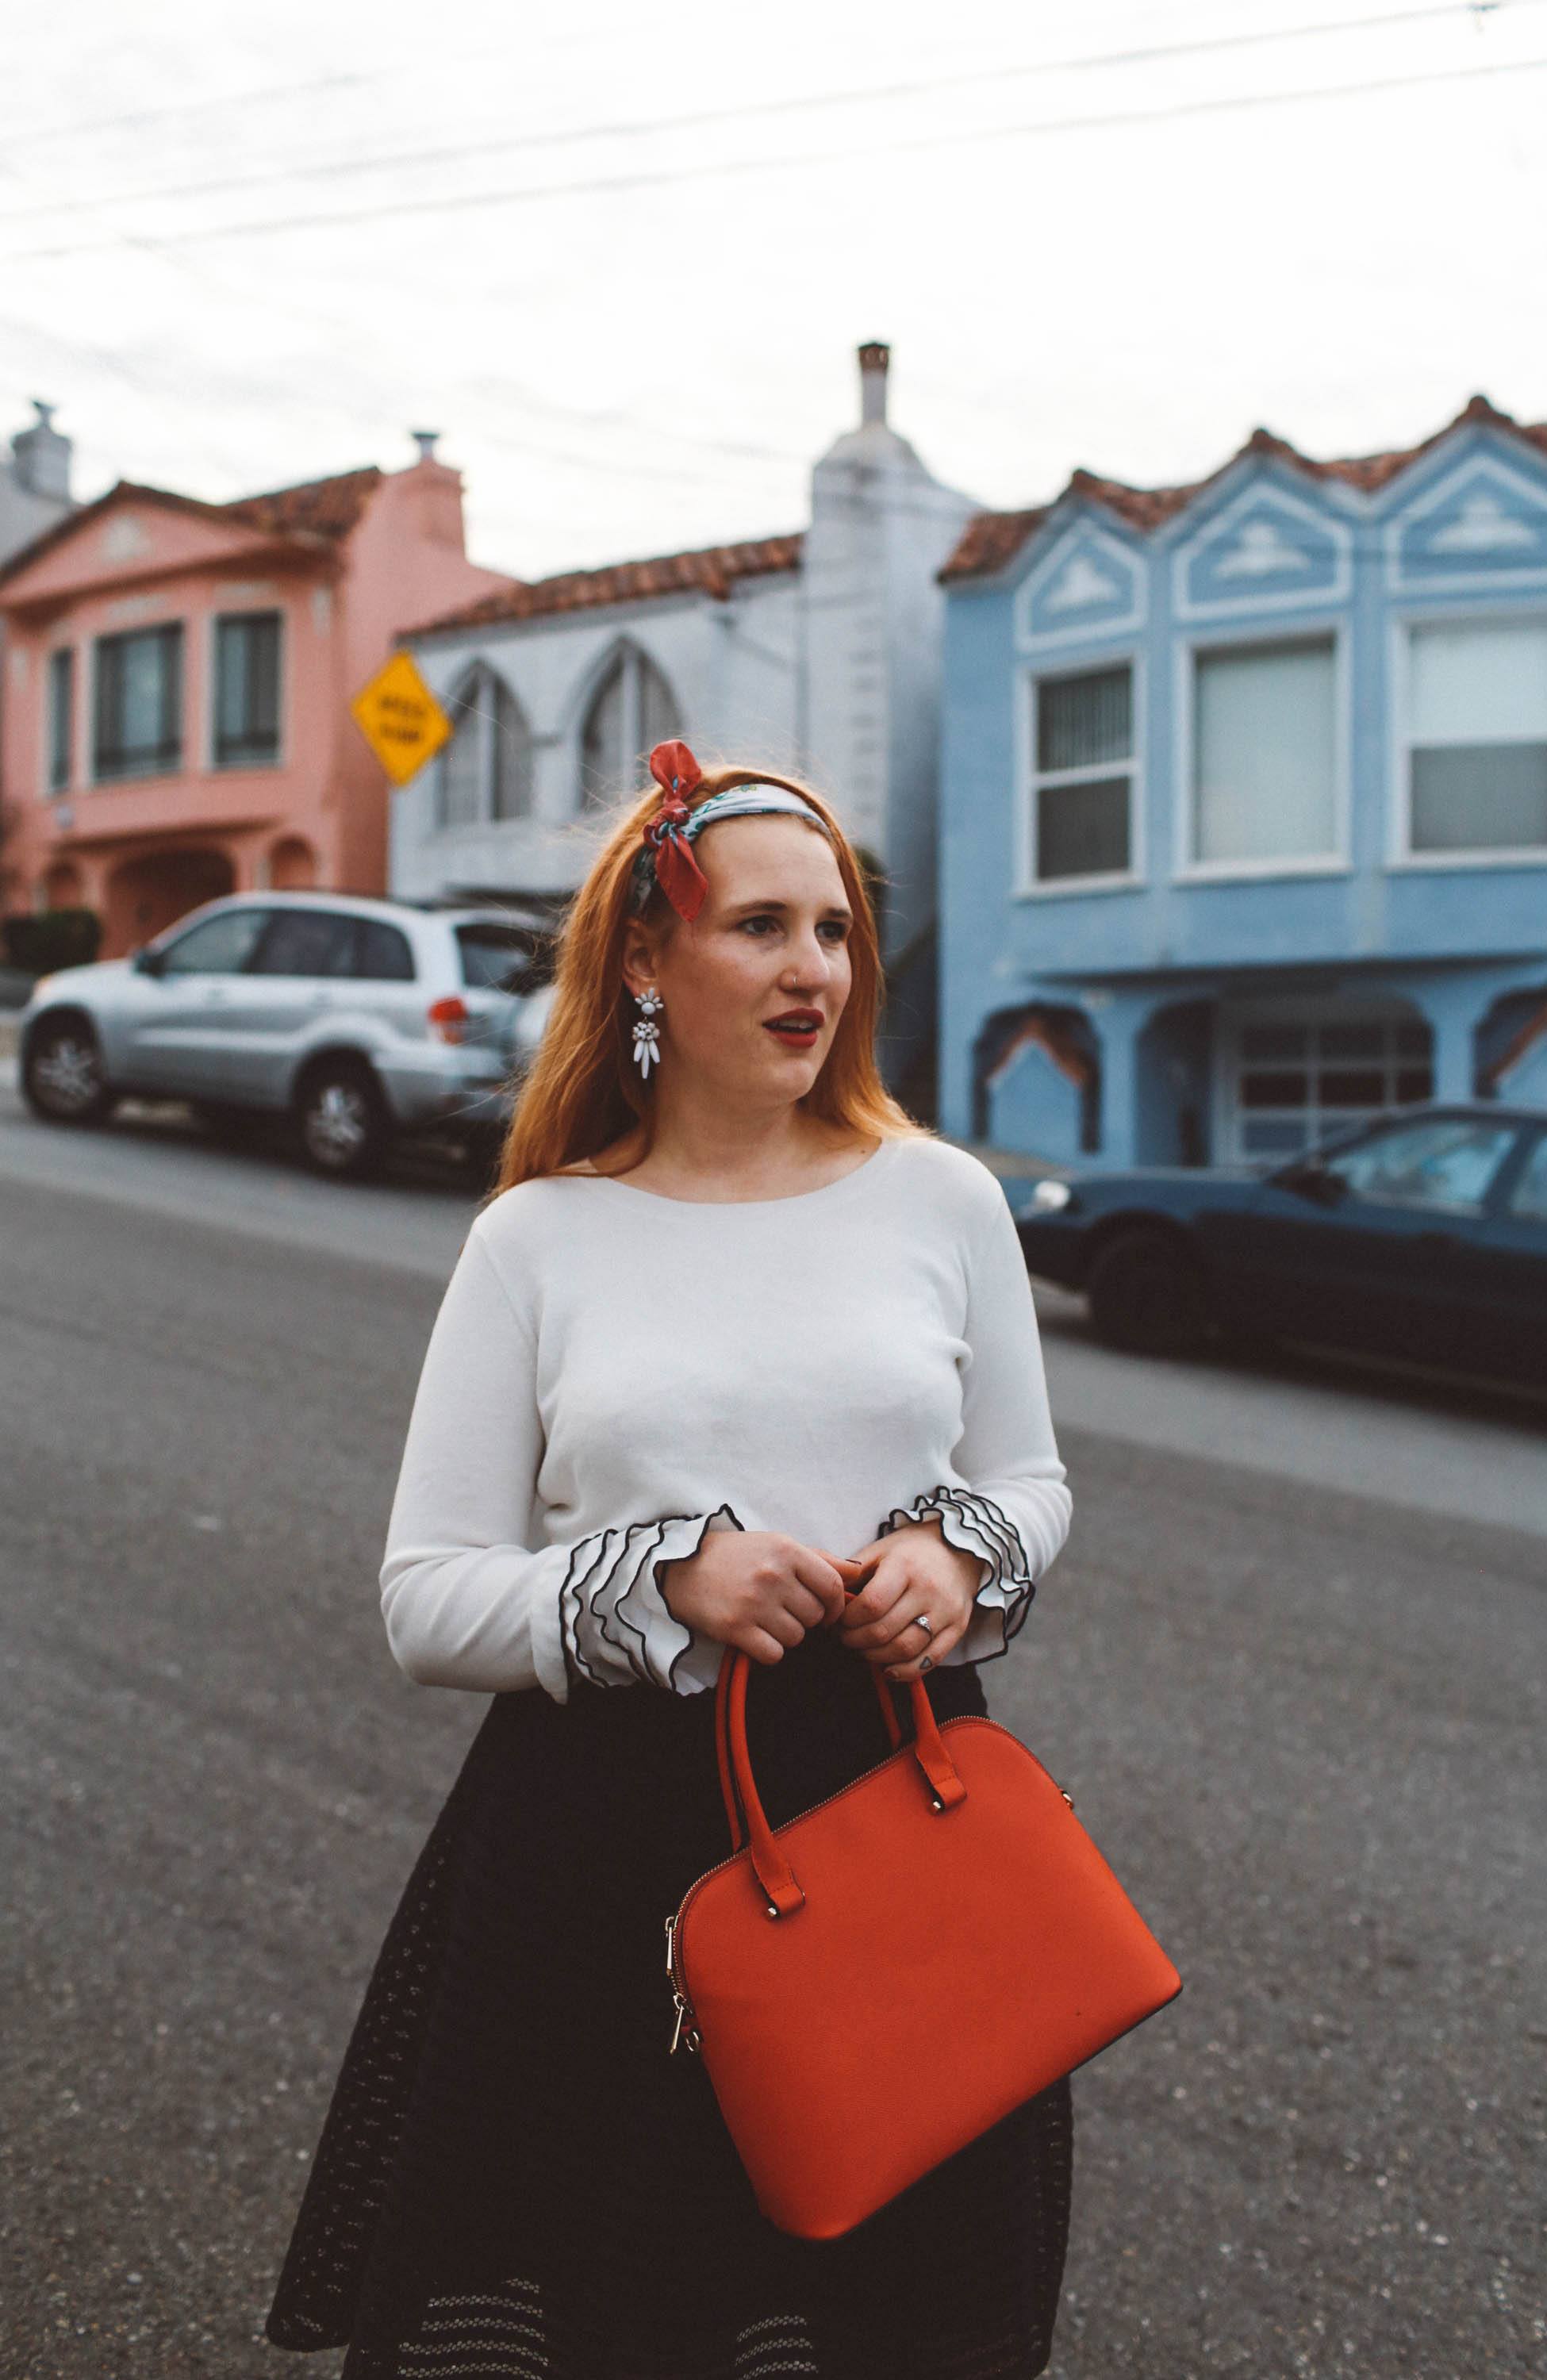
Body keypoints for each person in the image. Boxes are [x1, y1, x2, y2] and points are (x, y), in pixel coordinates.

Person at [264, 740, 1077, 2380]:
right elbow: (426, 1594)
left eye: (835, 931)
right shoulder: (541, 1236)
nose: (812, 972)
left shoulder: (938, 1199)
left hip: (891, 1796)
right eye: (760, 928)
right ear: (645, 954)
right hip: (602, 1842)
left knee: (889, 2299)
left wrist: (959, 1553)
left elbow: (1030, 1478)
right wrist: (657, 1580)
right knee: (619, 2294)